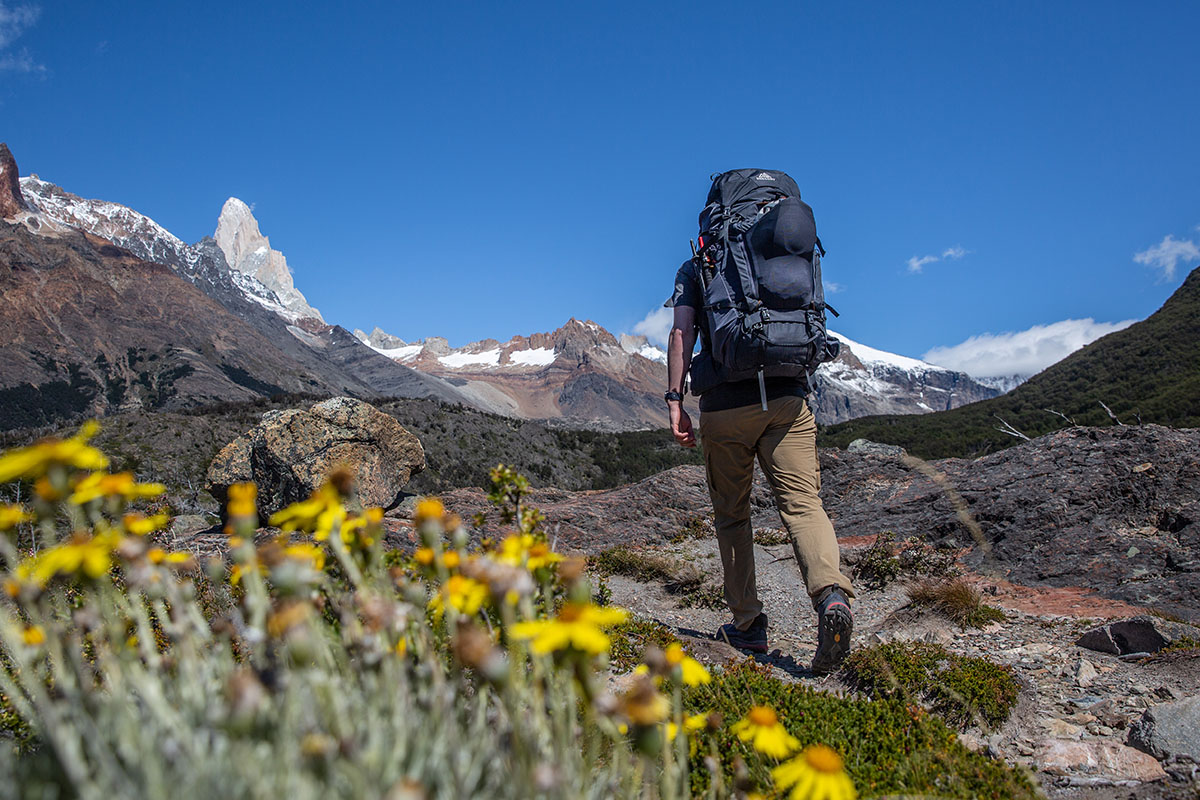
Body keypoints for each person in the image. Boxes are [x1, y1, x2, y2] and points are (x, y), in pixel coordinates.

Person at [665, 262, 856, 675]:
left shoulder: (701, 262)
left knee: (733, 516)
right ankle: (831, 595)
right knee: (804, 504)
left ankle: (748, 626)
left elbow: (682, 332)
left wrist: (675, 400)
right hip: (787, 397)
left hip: (724, 404)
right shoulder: (790, 251)